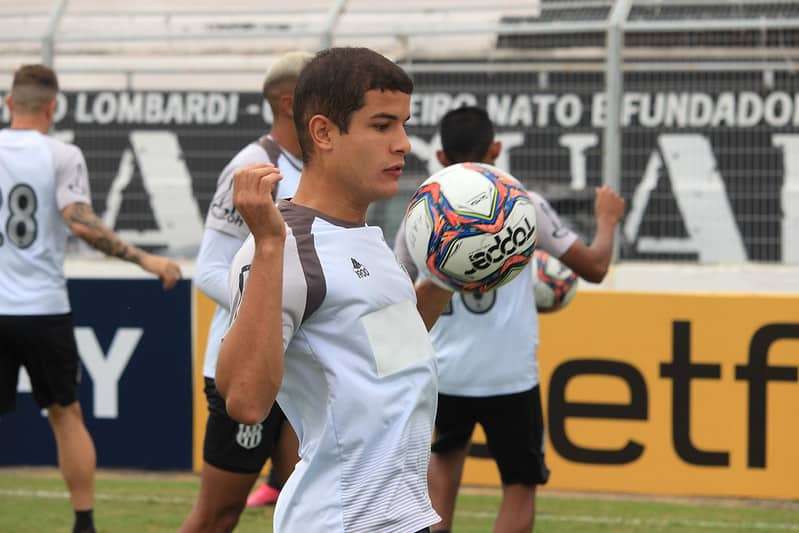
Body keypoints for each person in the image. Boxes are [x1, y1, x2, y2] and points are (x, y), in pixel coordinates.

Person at [216, 47, 453, 533]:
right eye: (382, 125)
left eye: (405, 124)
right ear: (323, 132)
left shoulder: (369, 240)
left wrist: (450, 280)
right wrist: (265, 248)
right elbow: (244, 400)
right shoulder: (282, 242)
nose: (404, 143)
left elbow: (392, 359)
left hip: (402, 520)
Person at [393, 106, 625, 533]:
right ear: (496, 149)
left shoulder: (420, 212)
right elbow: (594, 266)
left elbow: (396, 301)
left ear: (441, 157)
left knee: (440, 480)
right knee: (519, 486)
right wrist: (607, 220)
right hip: (510, 376)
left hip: (444, 374)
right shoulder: (523, 204)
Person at [0, 64, 182, 533]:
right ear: (51, 107)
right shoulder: (61, 155)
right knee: (66, 414)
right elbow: (81, 222)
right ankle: (84, 522)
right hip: (43, 308)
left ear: (8, 104)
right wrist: (146, 260)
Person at [180, 51, 312, 533]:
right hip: (242, 370)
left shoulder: (316, 165)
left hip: (297, 369)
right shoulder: (254, 166)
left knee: (309, 513)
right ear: (288, 103)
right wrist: (274, 314)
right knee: (219, 516)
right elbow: (210, 269)